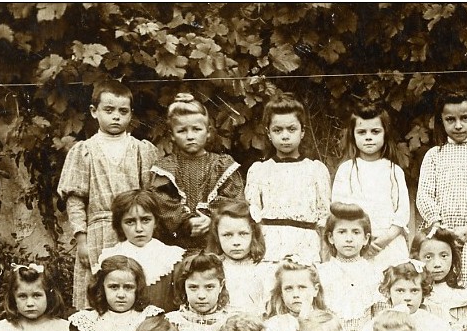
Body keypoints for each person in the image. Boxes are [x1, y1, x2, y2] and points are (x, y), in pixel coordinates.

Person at [58, 80, 159, 310]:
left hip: (133, 232)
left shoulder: (141, 150)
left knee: (131, 290)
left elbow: (151, 196)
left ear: (131, 114)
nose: (116, 117)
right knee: (97, 293)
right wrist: (81, 239)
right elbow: (75, 201)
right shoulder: (84, 151)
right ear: (94, 112)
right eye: (109, 110)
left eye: (123, 111)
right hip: (97, 234)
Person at [416, 92, 467, 287]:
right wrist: (437, 225)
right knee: (436, 284)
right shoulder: (434, 155)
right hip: (439, 233)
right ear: (441, 121)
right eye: (450, 120)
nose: (458, 125)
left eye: (464, 118)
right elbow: (424, 195)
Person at [149, 93, 244, 251]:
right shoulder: (166, 168)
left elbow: (235, 201)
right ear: (172, 135)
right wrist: (186, 221)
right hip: (176, 245)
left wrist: (212, 218)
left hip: (216, 243)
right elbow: (161, 202)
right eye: (182, 131)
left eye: (196, 129)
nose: (190, 136)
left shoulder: (221, 165)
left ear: (208, 132)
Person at [245, 93, 331, 264]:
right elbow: (253, 214)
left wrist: (325, 257)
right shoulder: (260, 170)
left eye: (291, 129)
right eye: (277, 130)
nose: (285, 136)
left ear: (302, 132)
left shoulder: (315, 170)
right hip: (270, 245)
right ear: (268, 133)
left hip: (306, 244)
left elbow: (324, 218)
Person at [331, 103, 411, 272]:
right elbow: (338, 209)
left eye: (375, 132)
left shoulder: (394, 171)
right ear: (353, 135)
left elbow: (402, 214)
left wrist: (382, 241)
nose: (368, 137)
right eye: (362, 132)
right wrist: (359, 240)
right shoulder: (347, 170)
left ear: (385, 134)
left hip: (389, 244)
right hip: (356, 245)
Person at [317, 202, 385, 331]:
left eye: (356, 232)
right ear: (331, 238)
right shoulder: (321, 273)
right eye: (342, 232)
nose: (349, 239)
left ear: (366, 239)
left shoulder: (374, 274)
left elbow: (380, 318)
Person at [97, 189, 184, 312]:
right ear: (120, 225)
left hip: (161, 327)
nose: (139, 229)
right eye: (130, 222)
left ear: (156, 222)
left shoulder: (171, 257)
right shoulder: (110, 257)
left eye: (145, 220)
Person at [164, 252, 232, 331]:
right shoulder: (172, 322)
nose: (201, 295)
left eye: (209, 287)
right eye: (193, 287)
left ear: (221, 286)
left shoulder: (229, 323)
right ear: (184, 286)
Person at [207, 199, 272, 318]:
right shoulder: (213, 268)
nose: (236, 242)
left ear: (253, 234)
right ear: (217, 236)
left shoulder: (264, 269)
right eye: (227, 235)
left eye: (243, 234)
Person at [265, 255, 329, 331]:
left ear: (315, 290)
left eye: (302, 287)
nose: (295, 295)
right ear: (281, 293)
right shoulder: (273, 325)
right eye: (288, 288)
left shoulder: (326, 322)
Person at [413, 225, 467, 323]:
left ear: (453, 257)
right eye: (428, 257)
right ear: (417, 259)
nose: (437, 264)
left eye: (444, 256)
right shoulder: (413, 293)